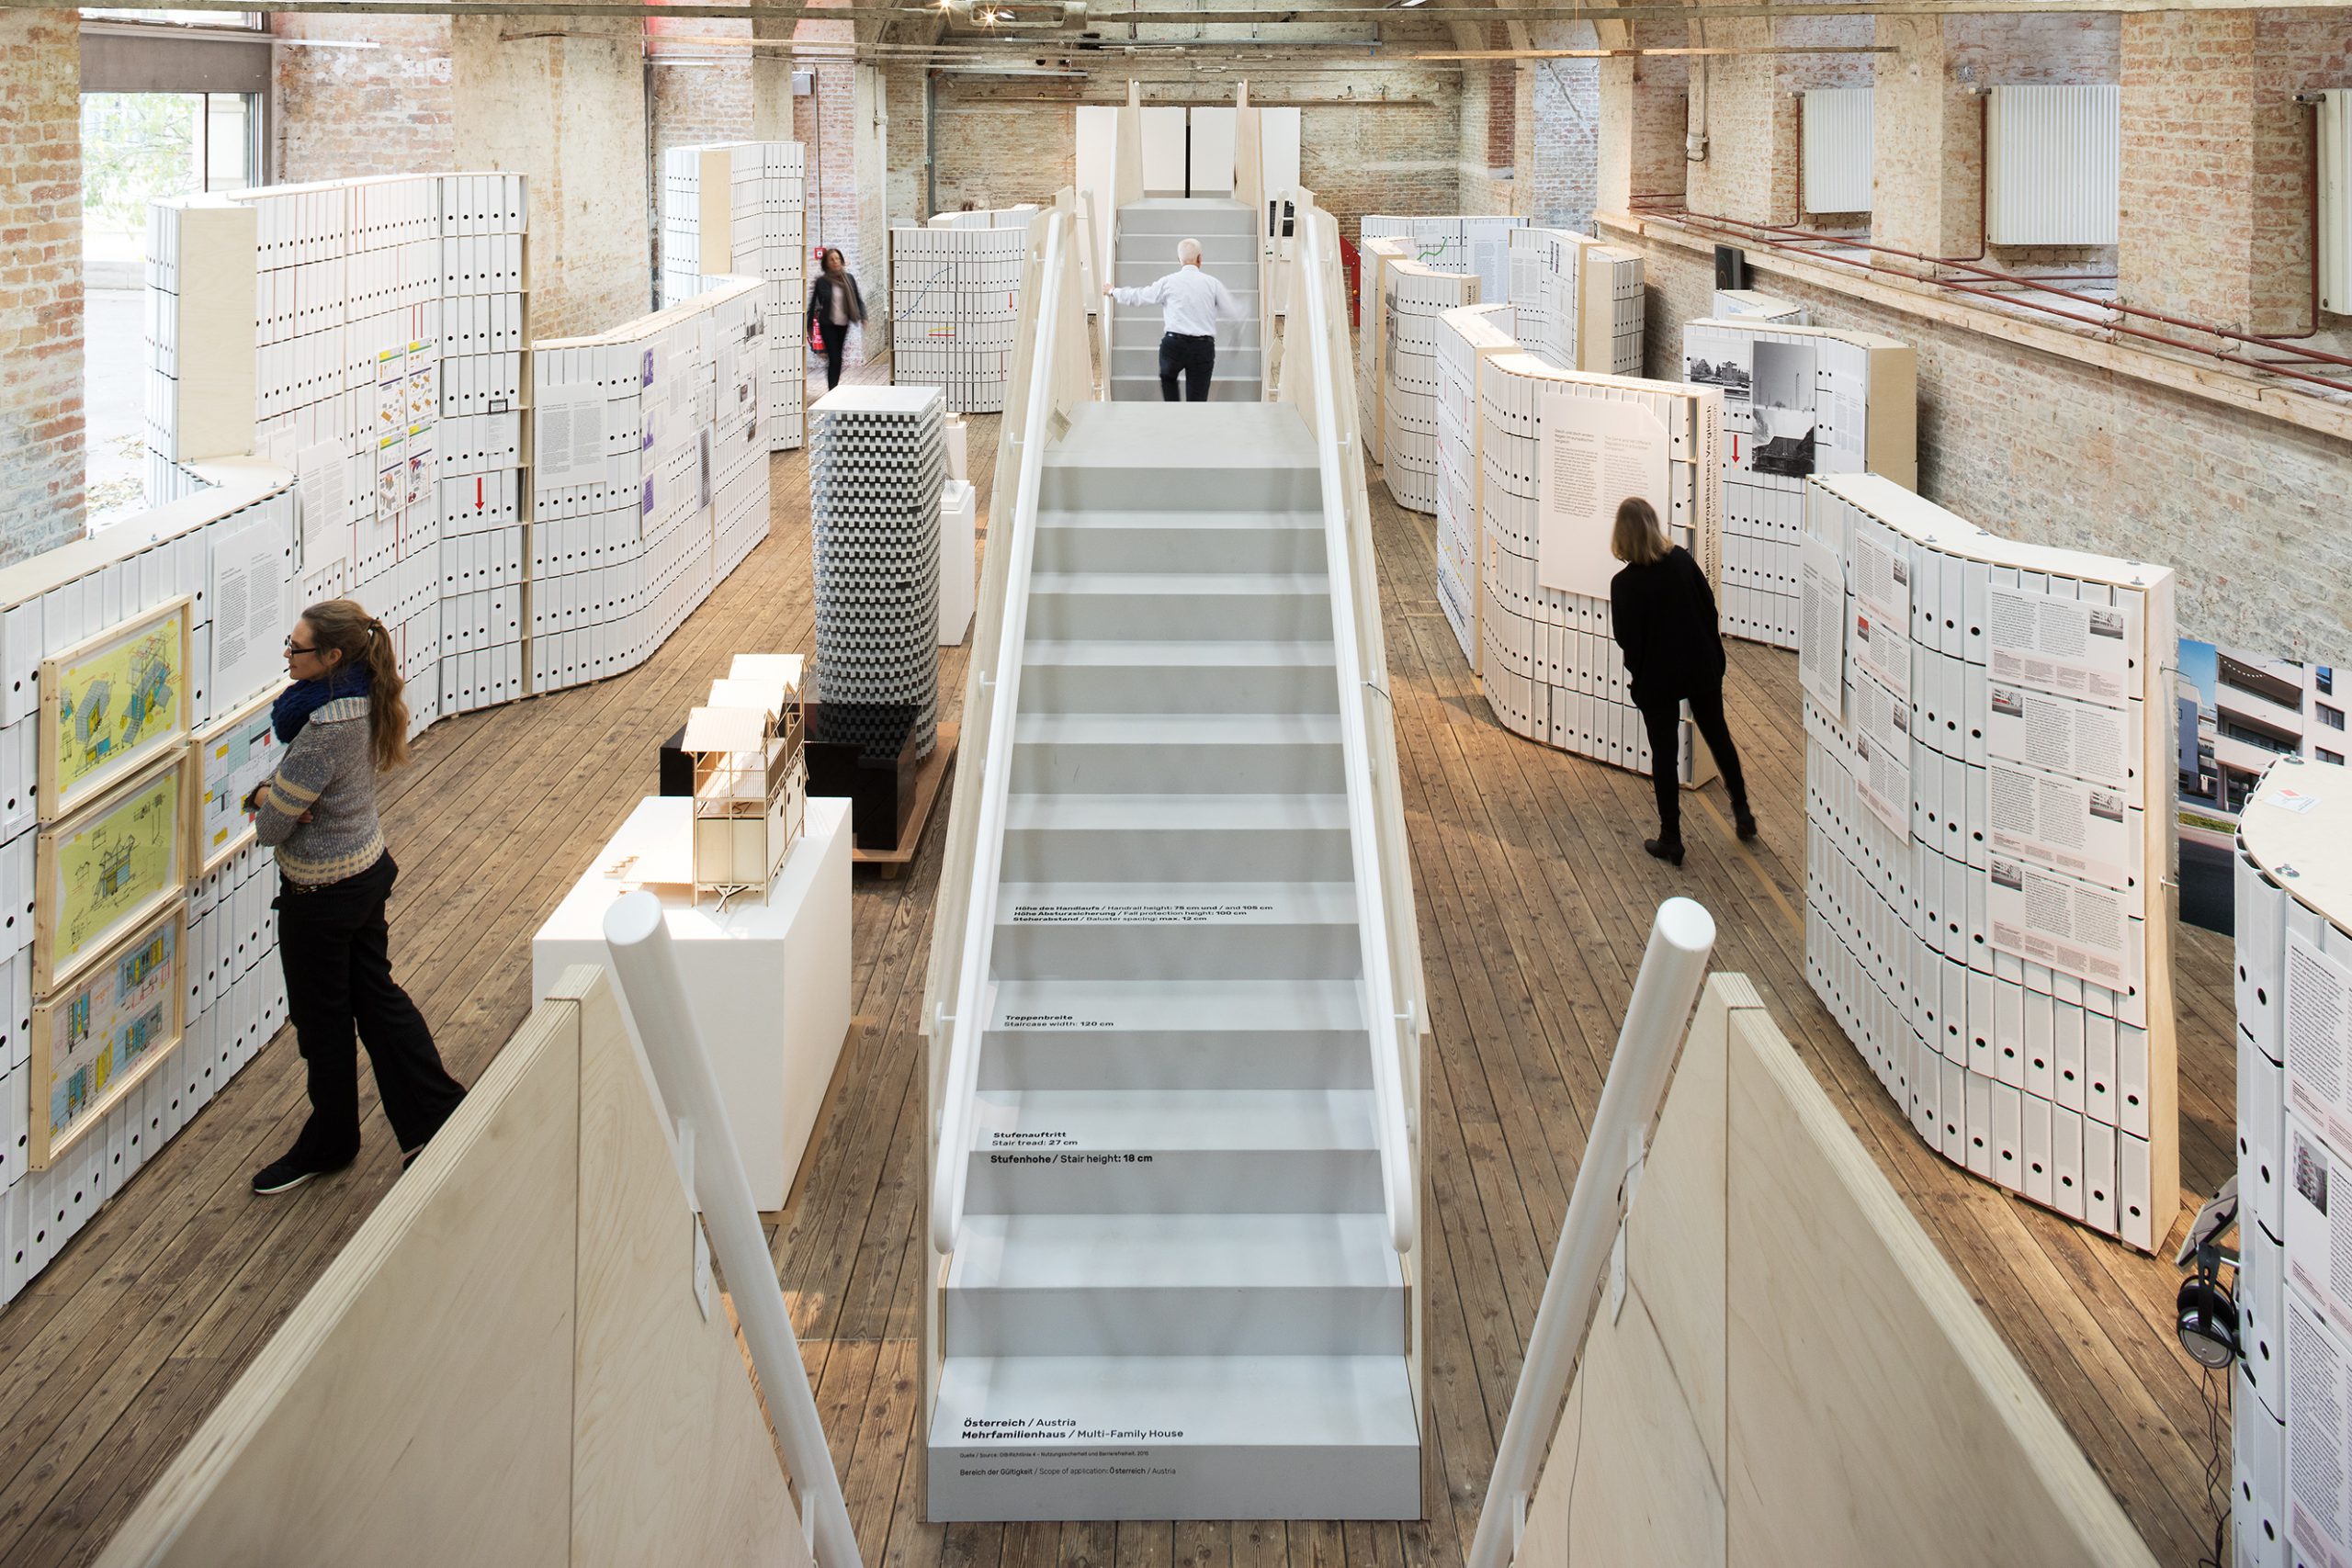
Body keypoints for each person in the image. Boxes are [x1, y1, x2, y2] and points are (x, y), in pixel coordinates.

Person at [244, 600, 466, 1194]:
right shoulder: (365, 693)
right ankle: (437, 1114)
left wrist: (262, 796)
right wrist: (286, 799)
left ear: (332, 656)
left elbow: (270, 829)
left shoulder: (321, 728)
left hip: (321, 895)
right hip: (366, 869)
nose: (288, 656)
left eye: (297, 648)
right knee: (378, 999)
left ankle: (333, 1140)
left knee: (324, 1024)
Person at [1607, 497, 1757, 866]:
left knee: (1664, 756)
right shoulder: (1680, 560)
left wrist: (1638, 670)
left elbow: (1627, 639)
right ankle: (1742, 811)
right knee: (1718, 736)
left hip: (1658, 679)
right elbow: (1709, 607)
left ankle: (1671, 839)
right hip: (1699, 666)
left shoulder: (1624, 585)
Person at [1102, 236, 1242, 402]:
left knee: (1169, 384)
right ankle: (1192, 423)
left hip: (1173, 345)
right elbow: (1233, 313)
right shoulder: (1213, 284)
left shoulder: (1168, 282)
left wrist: (1113, 291)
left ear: (1179, 260)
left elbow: (1139, 297)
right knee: (1197, 403)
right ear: (1199, 259)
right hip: (1202, 348)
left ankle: (1172, 414)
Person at [806, 248, 865, 391]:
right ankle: (832, 390)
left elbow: (857, 299)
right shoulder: (822, 282)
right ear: (826, 263)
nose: (835, 262)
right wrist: (809, 328)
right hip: (828, 325)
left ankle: (834, 387)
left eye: (837, 258)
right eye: (832, 259)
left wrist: (863, 316)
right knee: (835, 358)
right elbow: (813, 305)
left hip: (843, 324)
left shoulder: (848, 278)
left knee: (838, 359)